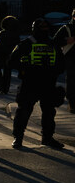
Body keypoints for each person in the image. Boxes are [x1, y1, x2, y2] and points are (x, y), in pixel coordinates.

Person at [10, 18, 66, 149]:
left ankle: (47, 138)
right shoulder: (27, 43)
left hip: (48, 83)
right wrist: (27, 68)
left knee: (49, 113)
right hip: (30, 82)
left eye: (46, 26)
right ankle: (18, 138)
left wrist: (52, 70)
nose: (44, 29)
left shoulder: (53, 44)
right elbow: (12, 61)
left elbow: (61, 64)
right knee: (24, 111)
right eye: (41, 27)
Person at [51, 7, 75, 112]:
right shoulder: (66, 28)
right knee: (72, 80)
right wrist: (66, 40)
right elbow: (55, 42)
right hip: (71, 58)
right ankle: (72, 103)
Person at [0, 16, 21, 94]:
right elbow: (18, 45)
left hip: (1, 54)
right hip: (10, 55)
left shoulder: (2, 33)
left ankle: (0, 84)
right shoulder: (16, 34)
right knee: (7, 72)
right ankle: (5, 88)